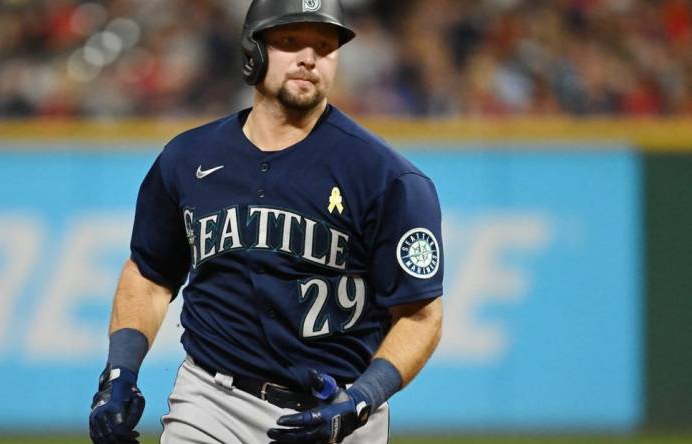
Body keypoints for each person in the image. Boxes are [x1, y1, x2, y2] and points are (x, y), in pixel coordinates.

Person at [88, 0, 444, 443]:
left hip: (339, 410)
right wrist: (120, 371)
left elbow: (420, 314)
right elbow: (149, 274)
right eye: (290, 41)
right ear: (252, 51)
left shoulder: (387, 177)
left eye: (325, 46)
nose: (309, 58)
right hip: (213, 403)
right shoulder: (188, 158)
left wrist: (363, 398)